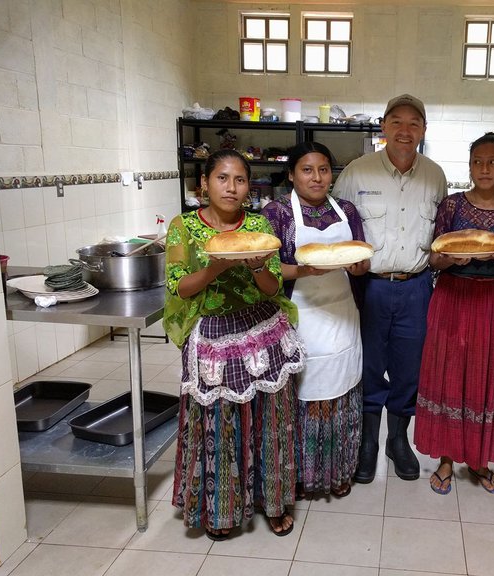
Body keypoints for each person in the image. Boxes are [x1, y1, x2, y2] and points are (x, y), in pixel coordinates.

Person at [163, 149, 305, 540]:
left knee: (271, 420)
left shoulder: (259, 226)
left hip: (261, 329)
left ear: (249, 187)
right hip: (212, 333)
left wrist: (257, 266)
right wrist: (216, 267)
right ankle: (222, 508)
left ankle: (273, 503)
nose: (231, 187)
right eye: (222, 178)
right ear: (204, 184)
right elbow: (180, 285)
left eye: (240, 180)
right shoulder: (183, 228)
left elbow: (273, 288)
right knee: (220, 423)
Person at [333, 94, 448, 483]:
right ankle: (368, 442)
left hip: (417, 287)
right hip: (369, 287)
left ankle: (398, 441)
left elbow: (440, 236)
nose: (404, 130)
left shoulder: (435, 175)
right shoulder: (357, 172)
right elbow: (338, 228)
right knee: (368, 365)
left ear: (423, 131)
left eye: (413, 123)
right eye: (396, 121)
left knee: (409, 368)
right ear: (383, 127)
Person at [414, 133, 494, 495]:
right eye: (478, 161)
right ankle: (447, 459)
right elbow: (434, 257)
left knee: (486, 377)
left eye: (493, 161)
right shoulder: (451, 205)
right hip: (452, 296)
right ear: (469, 166)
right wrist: (451, 258)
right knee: (448, 375)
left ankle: (479, 458)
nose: (484, 168)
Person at [261, 142, 369, 499]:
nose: (317, 177)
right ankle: (301, 477)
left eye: (324, 169)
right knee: (302, 398)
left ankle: (338, 472)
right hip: (299, 317)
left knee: (342, 393)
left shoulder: (347, 210)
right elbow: (270, 270)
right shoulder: (277, 213)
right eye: (307, 170)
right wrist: (306, 269)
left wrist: (358, 266)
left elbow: (361, 259)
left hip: (341, 315)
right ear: (291, 174)